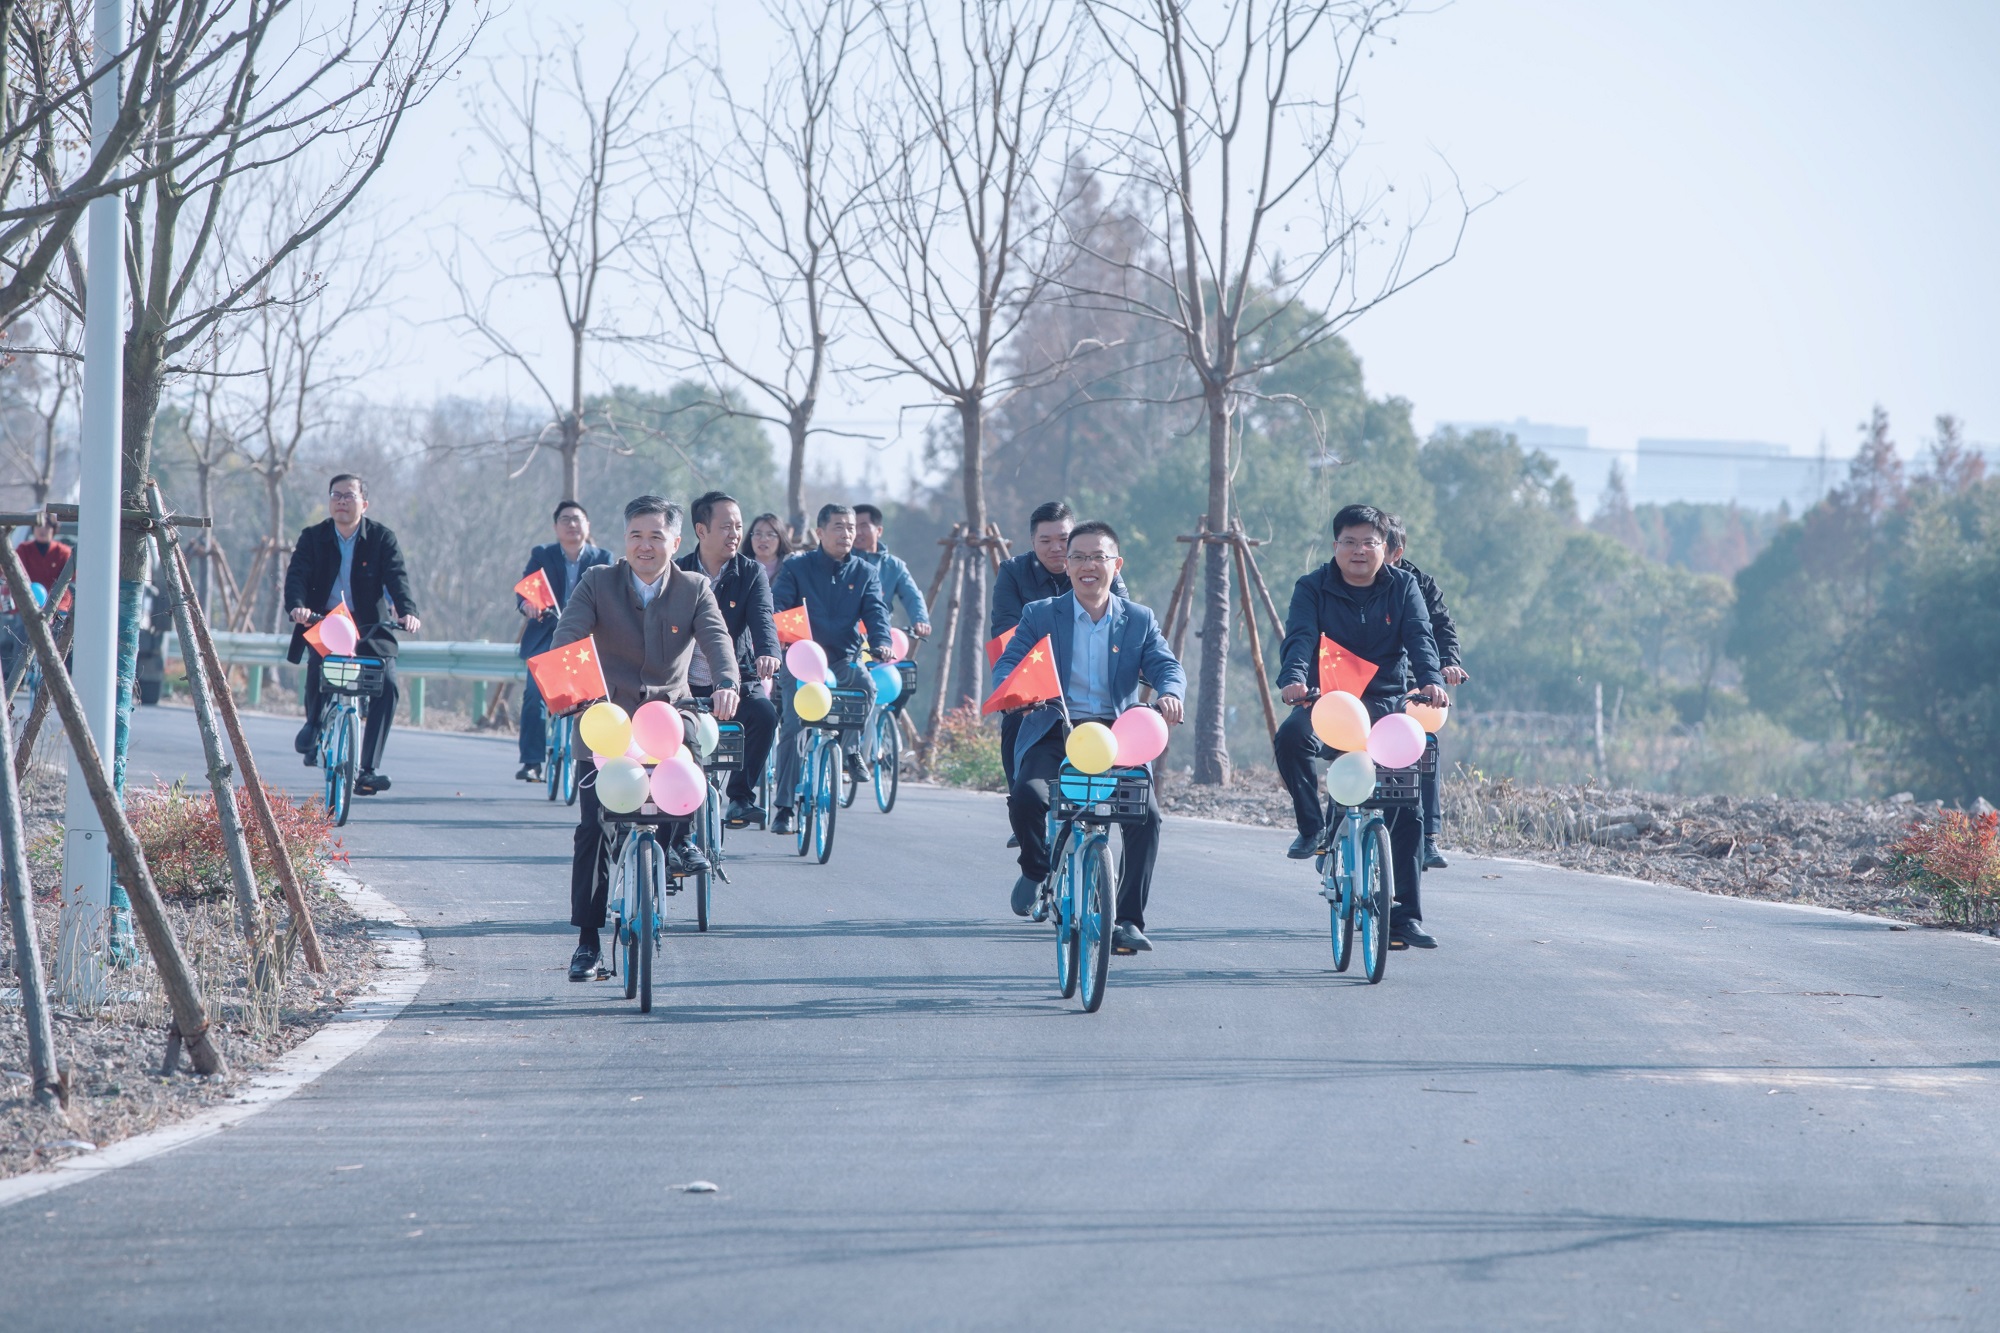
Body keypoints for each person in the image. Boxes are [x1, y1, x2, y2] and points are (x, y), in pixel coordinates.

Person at [552, 496, 739, 982]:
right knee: (593, 829)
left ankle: (675, 843)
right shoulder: (598, 582)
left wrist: (727, 684)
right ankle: (588, 943)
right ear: (624, 540)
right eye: (636, 535)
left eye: (656, 536)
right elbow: (568, 636)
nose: (645, 546)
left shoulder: (694, 588)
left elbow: (718, 641)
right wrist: (569, 691)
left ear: (676, 543)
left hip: (669, 714)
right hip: (606, 719)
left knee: (688, 759)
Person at [994, 521, 1184, 954]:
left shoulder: (1138, 619)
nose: (1087, 566)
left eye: (1098, 557)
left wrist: (1170, 693)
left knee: (1147, 817)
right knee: (1027, 797)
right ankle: (1036, 868)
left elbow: (1166, 666)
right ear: (1067, 565)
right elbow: (1010, 662)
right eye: (1078, 557)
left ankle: (1129, 920)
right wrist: (1014, 692)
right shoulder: (1041, 614)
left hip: (1119, 736)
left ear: (1116, 565)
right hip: (1055, 727)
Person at [1273, 502, 1449, 949]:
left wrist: (1430, 680)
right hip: (1328, 702)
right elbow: (1300, 638)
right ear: (1335, 546)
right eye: (1348, 542)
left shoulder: (1404, 586)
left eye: (1368, 543)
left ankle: (1405, 918)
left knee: (1407, 802)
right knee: (1291, 738)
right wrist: (1294, 678)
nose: (1358, 551)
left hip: (1386, 703)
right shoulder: (1312, 587)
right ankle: (1312, 828)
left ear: (1385, 547)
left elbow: (1421, 637)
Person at [284, 474, 420, 795]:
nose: (342, 501)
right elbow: (297, 576)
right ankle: (314, 724)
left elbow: (397, 578)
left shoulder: (382, 538)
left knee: (387, 684)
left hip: (369, 626)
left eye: (349, 496)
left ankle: (368, 769)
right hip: (326, 621)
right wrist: (298, 607)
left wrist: (407, 611)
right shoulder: (313, 537)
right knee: (320, 669)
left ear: (364, 504)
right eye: (336, 495)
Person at [990, 501, 1128, 809]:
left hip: (1090, 682)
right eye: (1045, 540)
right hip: (1035, 676)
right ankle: (1021, 800)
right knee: (1016, 720)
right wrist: (1018, 690)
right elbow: (1007, 631)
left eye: (1063, 539)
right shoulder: (1013, 572)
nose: (1056, 548)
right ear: (1032, 542)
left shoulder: (1099, 569)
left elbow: (1123, 622)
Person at [767, 504, 892, 836]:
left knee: (866, 686)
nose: (847, 533)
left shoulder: (865, 572)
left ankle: (850, 750)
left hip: (842, 659)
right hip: (803, 658)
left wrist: (882, 642)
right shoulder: (797, 568)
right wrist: (779, 633)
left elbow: (876, 613)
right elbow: (778, 604)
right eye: (838, 527)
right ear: (820, 532)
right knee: (793, 727)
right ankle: (784, 808)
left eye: (851, 527)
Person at [677, 491, 782, 827]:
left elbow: (763, 616)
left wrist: (768, 651)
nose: (735, 534)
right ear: (701, 530)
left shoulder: (751, 572)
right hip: (685, 683)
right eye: (726, 526)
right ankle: (675, 816)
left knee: (764, 715)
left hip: (737, 678)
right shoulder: (678, 572)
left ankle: (740, 797)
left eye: (738, 526)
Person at [1383, 515, 1468, 870]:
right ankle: (1334, 832)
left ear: (1396, 552)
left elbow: (1439, 629)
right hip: (1362, 682)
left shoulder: (1419, 585)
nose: (1364, 554)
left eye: (1375, 545)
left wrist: (1448, 663)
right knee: (1348, 747)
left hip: (1412, 680)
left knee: (1425, 745)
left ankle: (1428, 837)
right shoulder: (1344, 582)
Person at [514, 500, 613, 782]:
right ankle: (532, 762)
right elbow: (526, 591)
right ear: (556, 527)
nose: (572, 524)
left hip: (586, 641)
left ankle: (596, 761)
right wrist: (528, 605)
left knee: (595, 702)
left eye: (577, 519)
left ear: (587, 526)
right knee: (534, 697)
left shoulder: (603, 557)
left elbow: (613, 596)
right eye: (565, 519)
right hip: (546, 638)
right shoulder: (542, 555)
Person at [851, 504, 931, 639]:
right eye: (853, 527)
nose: (858, 532)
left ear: (879, 531)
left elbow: (912, 596)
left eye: (864, 526)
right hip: (845, 637)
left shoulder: (894, 566)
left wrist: (920, 620)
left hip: (880, 636)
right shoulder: (841, 561)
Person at [14, 516, 70, 589]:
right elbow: (13, 573)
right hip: (28, 593)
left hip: (56, 595)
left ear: (53, 530)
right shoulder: (23, 549)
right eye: (39, 526)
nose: (42, 530)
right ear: (33, 528)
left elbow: (72, 580)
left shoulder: (63, 552)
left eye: (47, 527)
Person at [747, 512, 791, 589]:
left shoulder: (790, 568)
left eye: (770, 534)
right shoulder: (740, 568)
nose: (763, 539)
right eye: (758, 534)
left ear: (781, 538)